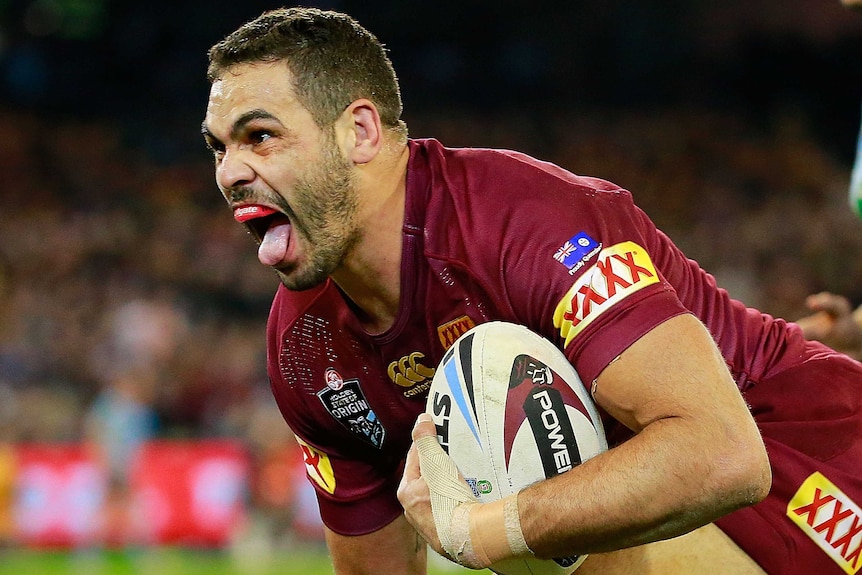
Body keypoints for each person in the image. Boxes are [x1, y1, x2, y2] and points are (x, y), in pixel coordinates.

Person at [202, 8, 862, 575]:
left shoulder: (520, 220)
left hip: (811, 466)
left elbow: (723, 454)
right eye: (218, 147)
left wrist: (479, 532)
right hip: (680, 526)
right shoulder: (306, 352)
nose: (231, 172)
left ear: (361, 132)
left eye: (260, 136)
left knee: (558, 520)